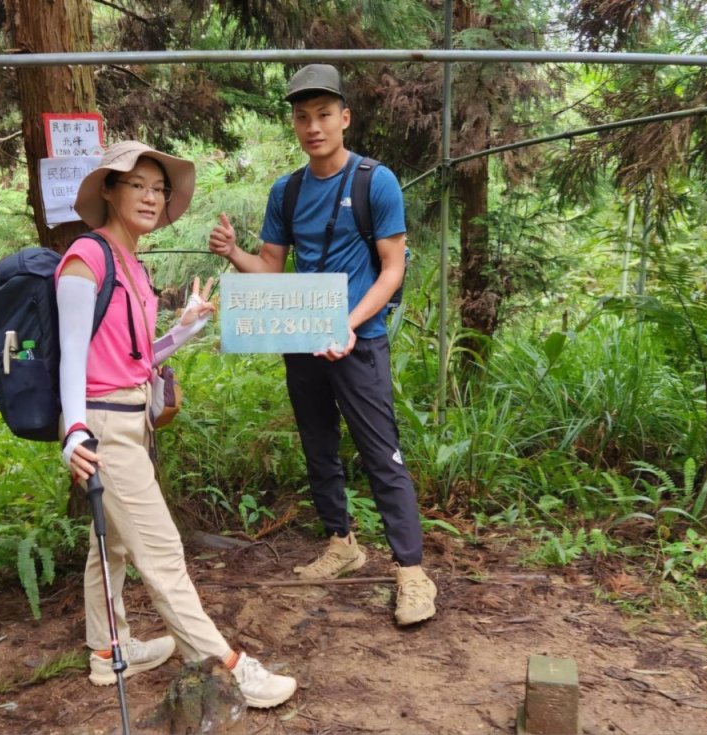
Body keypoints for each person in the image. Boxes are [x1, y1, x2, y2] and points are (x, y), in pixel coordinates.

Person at [57, 140, 297, 707]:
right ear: (109, 190)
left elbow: (133, 360)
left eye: (158, 189)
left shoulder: (132, 266)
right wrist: (73, 431)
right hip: (102, 426)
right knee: (162, 551)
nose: (150, 197)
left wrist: (184, 329)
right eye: (137, 185)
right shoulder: (86, 258)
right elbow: (71, 355)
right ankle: (224, 667)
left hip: (131, 418)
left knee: (113, 545)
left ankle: (107, 650)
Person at [208, 65, 437, 626]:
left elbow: (392, 270)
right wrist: (233, 253)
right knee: (318, 446)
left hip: (360, 340)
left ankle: (412, 572)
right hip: (303, 337)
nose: (313, 127)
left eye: (324, 115)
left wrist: (348, 324)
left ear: (344, 118)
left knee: (381, 453)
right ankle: (342, 543)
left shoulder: (374, 182)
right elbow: (271, 268)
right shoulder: (286, 191)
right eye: (303, 117)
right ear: (295, 124)